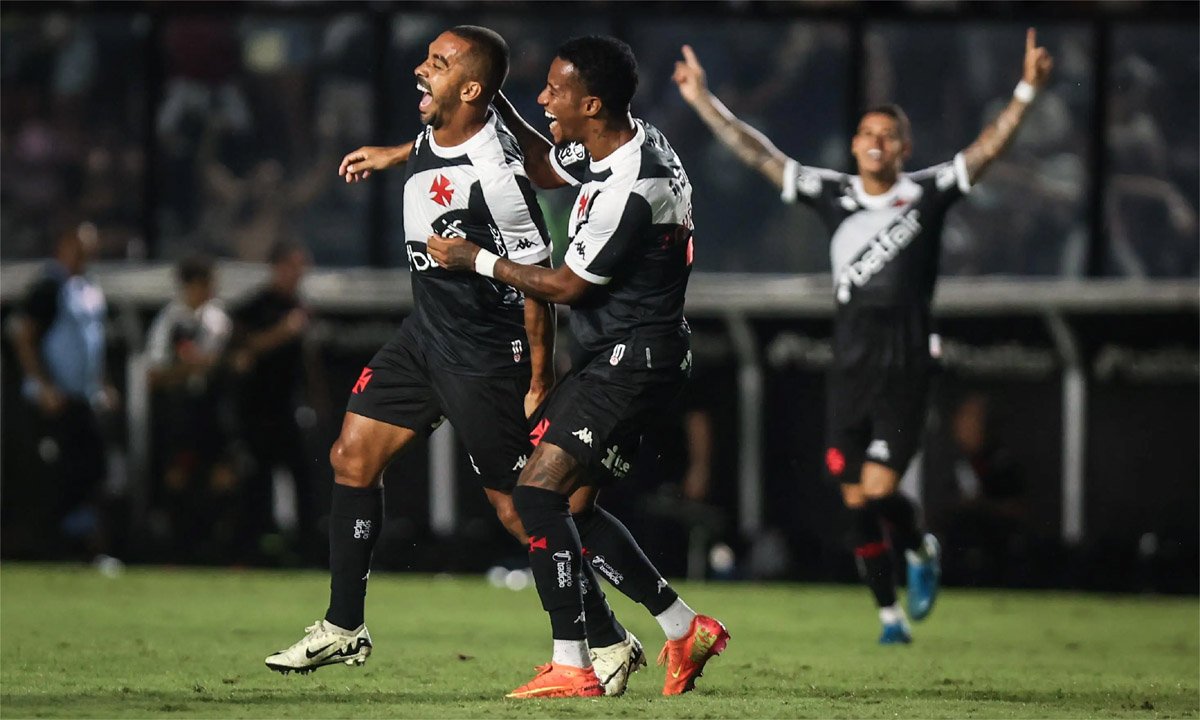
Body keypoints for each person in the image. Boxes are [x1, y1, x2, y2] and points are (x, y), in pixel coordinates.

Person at [262, 27, 639, 691]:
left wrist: (539, 378)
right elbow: (439, 149)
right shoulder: (446, 126)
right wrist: (391, 154)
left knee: (524, 510)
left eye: (436, 64)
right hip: (424, 333)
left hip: (484, 352)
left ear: (470, 88)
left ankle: (607, 638)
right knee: (351, 455)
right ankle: (345, 625)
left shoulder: (497, 176)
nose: (418, 69)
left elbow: (536, 277)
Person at [672, 29, 1053, 643]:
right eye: (867, 134)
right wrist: (702, 102)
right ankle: (889, 617)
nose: (875, 143)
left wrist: (1027, 89)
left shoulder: (925, 194)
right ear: (854, 145)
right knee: (855, 500)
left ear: (904, 146)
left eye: (887, 136)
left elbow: (986, 151)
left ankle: (921, 550)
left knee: (878, 490)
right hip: (850, 366)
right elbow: (760, 154)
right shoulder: (834, 195)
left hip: (905, 365)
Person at [428, 35, 730, 698]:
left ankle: (573, 663)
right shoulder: (619, 139)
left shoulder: (634, 187)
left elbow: (566, 287)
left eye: (554, 91)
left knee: (536, 495)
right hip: (620, 356)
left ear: (591, 104)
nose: (544, 99)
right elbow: (543, 161)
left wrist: (474, 259)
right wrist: (493, 90)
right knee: (572, 509)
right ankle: (684, 628)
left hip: (633, 361)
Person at [8, 222, 119, 560]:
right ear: (64, 246)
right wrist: (44, 386)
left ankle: (82, 547)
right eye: (79, 247)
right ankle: (48, 548)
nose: (86, 254)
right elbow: (23, 337)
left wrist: (101, 382)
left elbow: (92, 344)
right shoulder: (48, 286)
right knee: (51, 477)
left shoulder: (86, 288)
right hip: (51, 403)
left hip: (81, 400)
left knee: (91, 473)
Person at [227, 239, 322, 565]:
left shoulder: (300, 306)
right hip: (258, 409)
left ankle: (306, 550)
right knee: (257, 482)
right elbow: (241, 352)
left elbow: (307, 360)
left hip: (289, 408)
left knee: (303, 481)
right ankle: (252, 550)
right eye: (294, 268)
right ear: (278, 267)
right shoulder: (255, 308)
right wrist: (282, 332)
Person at [144, 255, 236, 562]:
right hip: (181, 411)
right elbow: (154, 376)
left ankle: (216, 550)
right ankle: (177, 552)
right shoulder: (169, 322)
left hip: (214, 410)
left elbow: (224, 364)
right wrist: (191, 369)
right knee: (177, 477)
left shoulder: (219, 320)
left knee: (222, 475)